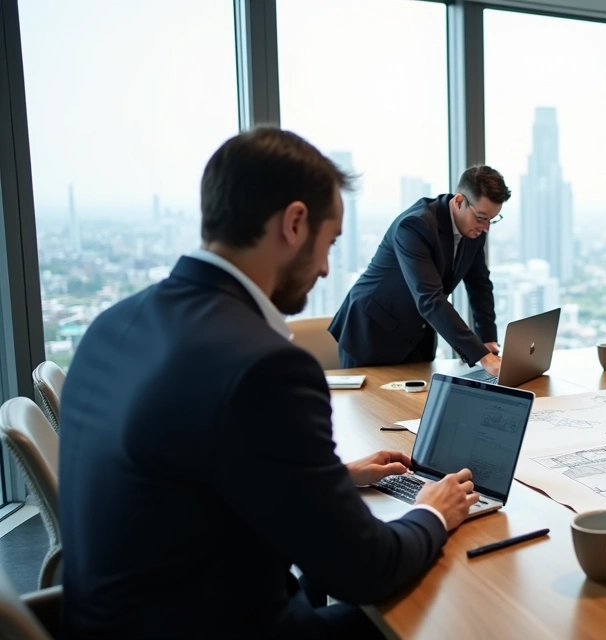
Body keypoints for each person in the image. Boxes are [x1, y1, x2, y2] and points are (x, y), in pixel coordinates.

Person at [57, 127, 480, 639]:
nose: (326, 269)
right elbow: (364, 570)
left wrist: (330, 479)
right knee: (458, 614)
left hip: (121, 622)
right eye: (329, 244)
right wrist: (433, 513)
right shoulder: (263, 366)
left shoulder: (113, 326)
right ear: (295, 223)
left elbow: (185, 476)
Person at [329, 166, 509, 372]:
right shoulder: (415, 225)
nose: (486, 227)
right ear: (458, 201)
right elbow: (430, 299)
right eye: (481, 217)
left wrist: (487, 340)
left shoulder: (475, 230)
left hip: (417, 336)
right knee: (374, 405)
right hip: (372, 333)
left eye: (492, 219)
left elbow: (480, 285)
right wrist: (482, 357)